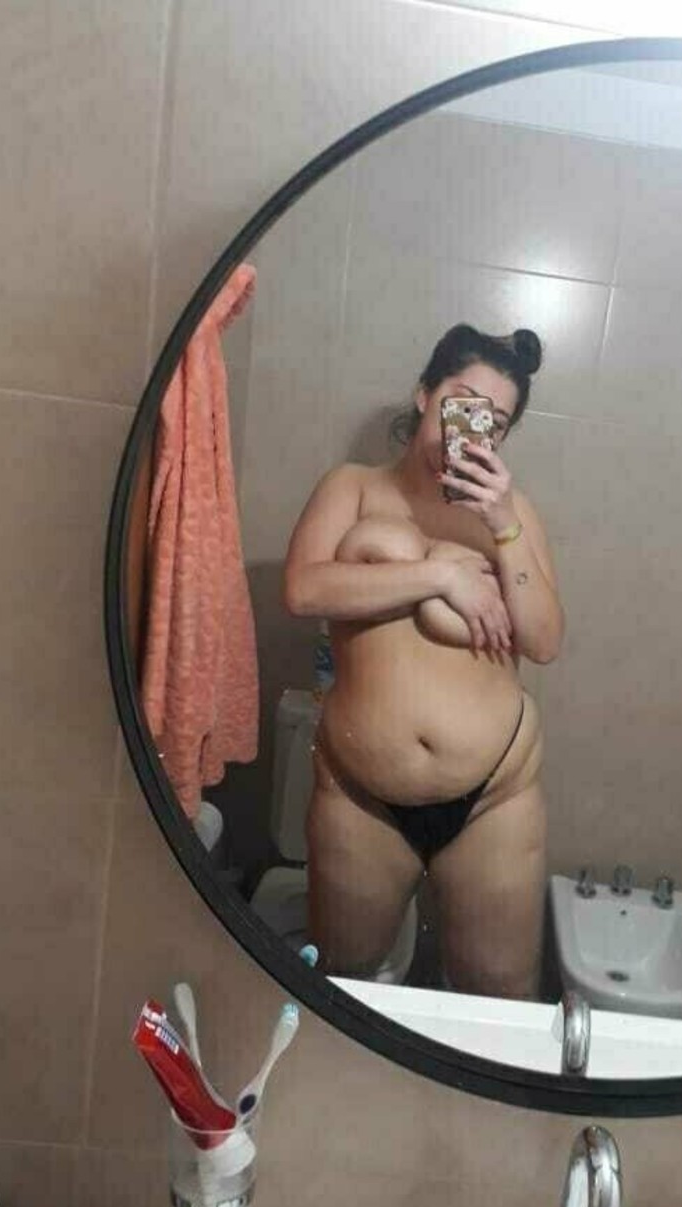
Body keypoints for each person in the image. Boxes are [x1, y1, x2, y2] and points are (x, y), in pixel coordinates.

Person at [283, 324, 563, 998]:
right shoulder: (352, 487)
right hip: (361, 797)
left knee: (500, 1001)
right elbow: (303, 590)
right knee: (344, 987)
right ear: (423, 394)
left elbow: (544, 640)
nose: (475, 426)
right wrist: (438, 578)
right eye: (462, 402)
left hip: (495, 796)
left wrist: (503, 525)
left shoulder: (515, 515)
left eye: (495, 421)